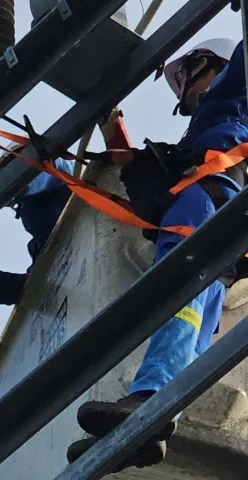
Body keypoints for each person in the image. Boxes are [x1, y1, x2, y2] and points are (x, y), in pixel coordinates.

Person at [67, 38, 246, 472]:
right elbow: (134, 162)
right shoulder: (220, 115)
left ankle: (150, 397)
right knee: (198, 316)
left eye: (183, 76)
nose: (181, 91)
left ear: (208, 64)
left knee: (178, 290)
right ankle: (157, 418)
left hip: (207, 198)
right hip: (229, 214)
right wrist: (111, 124)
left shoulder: (231, 89)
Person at [0, 108, 131, 305]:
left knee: (9, 185)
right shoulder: (46, 240)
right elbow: (27, 291)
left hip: (110, 239)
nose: (9, 172)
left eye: (10, 166)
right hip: (99, 267)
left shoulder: (49, 172)